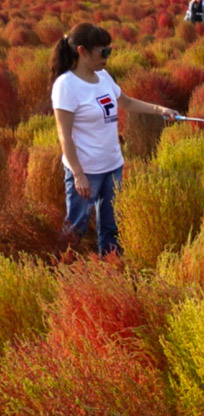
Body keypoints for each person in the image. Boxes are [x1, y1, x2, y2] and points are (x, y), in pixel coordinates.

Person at [50, 23, 179, 255]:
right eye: (104, 51)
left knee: (111, 226)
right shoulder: (66, 86)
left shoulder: (103, 77)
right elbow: (64, 135)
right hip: (86, 171)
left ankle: (110, 266)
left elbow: (126, 102)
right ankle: (58, 265)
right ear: (82, 51)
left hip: (113, 166)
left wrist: (160, 110)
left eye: (109, 50)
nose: (107, 56)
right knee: (76, 227)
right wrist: (78, 175)